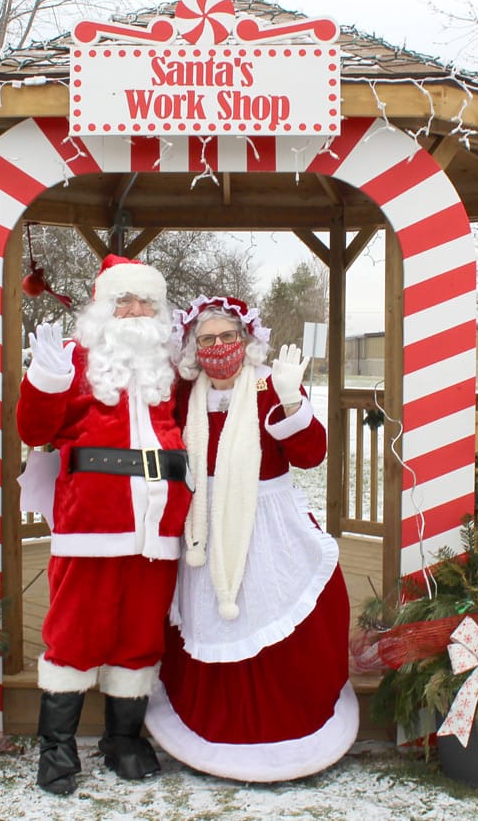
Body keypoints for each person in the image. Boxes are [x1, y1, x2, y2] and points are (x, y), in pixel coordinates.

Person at [144, 295, 359, 781]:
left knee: (268, 609)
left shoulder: (267, 387)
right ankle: (213, 725)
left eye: (228, 337)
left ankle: (288, 730)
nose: (219, 347)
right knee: (209, 623)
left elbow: (311, 454)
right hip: (204, 522)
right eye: (207, 339)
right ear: (193, 348)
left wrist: (292, 402)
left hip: (265, 518)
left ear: (246, 340)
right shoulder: (185, 393)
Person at [16, 254, 192, 795]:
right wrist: (45, 380)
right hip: (91, 521)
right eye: (124, 301)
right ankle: (58, 749)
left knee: (140, 633)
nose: (136, 311)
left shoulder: (171, 366)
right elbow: (35, 427)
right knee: (74, 632)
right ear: (103, 308)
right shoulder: (73, 358)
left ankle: (124, 741)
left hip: (159, 525)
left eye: (147, 302)